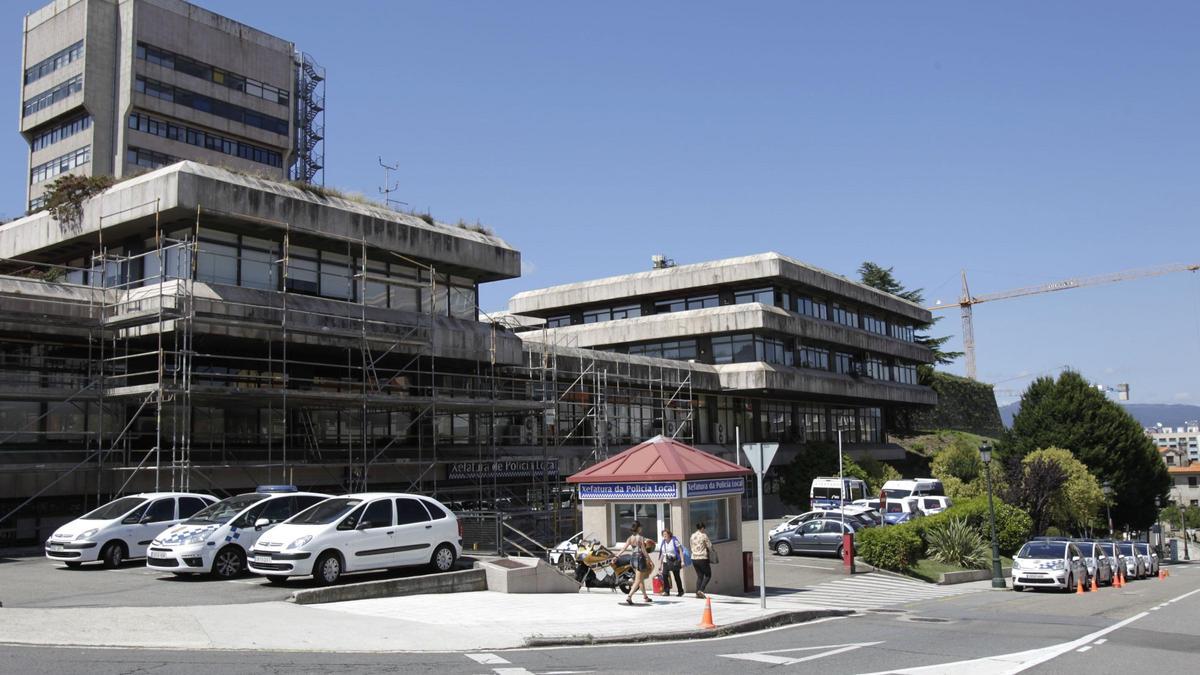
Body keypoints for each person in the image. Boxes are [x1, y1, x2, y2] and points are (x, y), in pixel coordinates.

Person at [613, 520, 653, 605]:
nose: (641, 528)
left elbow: (623, 548)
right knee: (638, 580)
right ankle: (629, 596)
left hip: (633, 559)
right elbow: (644, 550)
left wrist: (616, 556)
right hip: (640, 559)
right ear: (638, 528)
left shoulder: (630, 538)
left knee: (640, 579)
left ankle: (645, 597)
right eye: (640, 527)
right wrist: (649, 560)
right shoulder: (640, 538)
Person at [657, 528, 685, 597]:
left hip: (674, 560)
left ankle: (680, 591)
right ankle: (666, 591)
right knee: (664, 575)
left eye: (666, 534)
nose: (664, 536)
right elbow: (662, 555)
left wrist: (682, 561)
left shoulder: (674, 541)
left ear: (669, 534)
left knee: (676, 576)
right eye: (663, 534)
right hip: (666, 561)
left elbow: (680, 551)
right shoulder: (663, 543)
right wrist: (660, 565)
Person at [690, 521, 713, 598]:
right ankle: (701, 590)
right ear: (702, 528)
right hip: (702, 558)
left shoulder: (692, 536)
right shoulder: (704, 536)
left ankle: (697, 592)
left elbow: (691, 545)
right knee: (708, 575)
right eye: (704, 528)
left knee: (700, 576)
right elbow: (709, 546)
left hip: (694, 558)